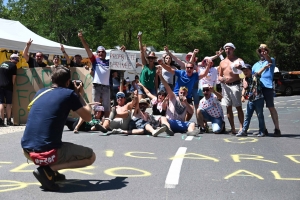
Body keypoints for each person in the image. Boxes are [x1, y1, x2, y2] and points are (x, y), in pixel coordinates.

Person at [21, 67, 95, 191]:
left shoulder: (40, 92)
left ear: (52, 80)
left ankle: (52, 173)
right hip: (45, 151)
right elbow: (88, 117)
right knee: (91, 156)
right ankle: (48, 170)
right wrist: (79, 95)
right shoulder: (69, 94)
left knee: (53, 142)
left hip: (27, 149)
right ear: (68, 82)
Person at [159, 55, 211, 121]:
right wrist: (162, 64)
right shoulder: (181, 73)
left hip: (187, 96)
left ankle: (184, 122)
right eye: (188, 68)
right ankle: (164, 120)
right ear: (185, 68)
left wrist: (208, 66)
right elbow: (170, 69)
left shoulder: (195, 76)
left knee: (191, 110)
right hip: (176, 95)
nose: (189, 69)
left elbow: (204, 74)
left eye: (191, 68)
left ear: (193, 69)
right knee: (169, 107)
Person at [158, 67, 199, 136]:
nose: (182, 94)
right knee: (163, 118)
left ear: (187, 94)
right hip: (170, 122)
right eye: (181, 93)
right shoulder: (173, 96)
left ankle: (191, 132)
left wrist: (186, 102)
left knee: (192, 123)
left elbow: (191, 112)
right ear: (179, 92)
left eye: (184, 93)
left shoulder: (187, 102)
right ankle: (168, 129)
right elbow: (167, 86)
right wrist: (160, 76)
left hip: (180, 123)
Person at [78, 31, 111, 118]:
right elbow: (87, 49)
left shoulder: (110, 62)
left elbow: (120, 61)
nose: (100, 53)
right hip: (96, 86)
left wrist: (122, 51)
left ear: (105, 53)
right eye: (99, 52)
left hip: (106, 87)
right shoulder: (94, 60)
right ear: (97, 53)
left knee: (107, 105)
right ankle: (94, 121)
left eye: (102, 52)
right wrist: (82, 39)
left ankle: (107, 121)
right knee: (95, 105)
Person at [252, 44, 281, 137]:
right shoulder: (255, 65)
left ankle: (277, 129)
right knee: (258, 109)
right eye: (261, 51)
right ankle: (263, 129)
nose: (262, 52)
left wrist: (266, 55)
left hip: (267, 87)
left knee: (271, 107)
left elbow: (269, 59)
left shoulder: (271, 60)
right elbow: (252, 76)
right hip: (258, 88)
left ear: (267, 52)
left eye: (264, 50)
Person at [237, 63, 271, 137]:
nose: (245, 72)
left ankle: (262, 131)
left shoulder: (255, 76)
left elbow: (259, 72)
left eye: (246, 70)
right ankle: (244, 131)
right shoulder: (245, 79)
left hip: (259, 98)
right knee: (247, 116)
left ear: (250, 70)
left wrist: (265, 67)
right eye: (244, 71)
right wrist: (242, 96)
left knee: (260, 115)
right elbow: (244, 88)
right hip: (251, 100)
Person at [218, 42, 244, 135]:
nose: (228, 50)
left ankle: (241, 127)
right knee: (228, 107)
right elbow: (220, 75)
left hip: (235, 85)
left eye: (229, 49)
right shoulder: (222, 62)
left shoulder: (238, 60)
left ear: (233, 49)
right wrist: (221, 78)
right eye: (226, 49)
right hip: (225, 86)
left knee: (238, 107)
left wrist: (241, 68)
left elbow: (243, 74)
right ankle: (233, 128)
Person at [137, 33, 157, 100]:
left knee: (155, 102)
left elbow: (156, 80)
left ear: (154, 59)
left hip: (151, 87)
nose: (151, 59)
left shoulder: (156, 68)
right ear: (148, 58)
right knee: (140, 102)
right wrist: (140, 40)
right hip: (142, 86)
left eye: (152, 58)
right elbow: (141, 51)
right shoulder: (144, 65)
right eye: (150, 58)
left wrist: (156, 89)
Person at [0, 53, 18, 126]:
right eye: (17, 60)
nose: (17, 61)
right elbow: (14, 78)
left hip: (0, 85)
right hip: (8, 86)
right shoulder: (13, 66)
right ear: (14, 59)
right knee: (8, 103)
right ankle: (8, 120)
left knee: (0, 103)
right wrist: (12, 86)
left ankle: (1, 120)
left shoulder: (2, 63)